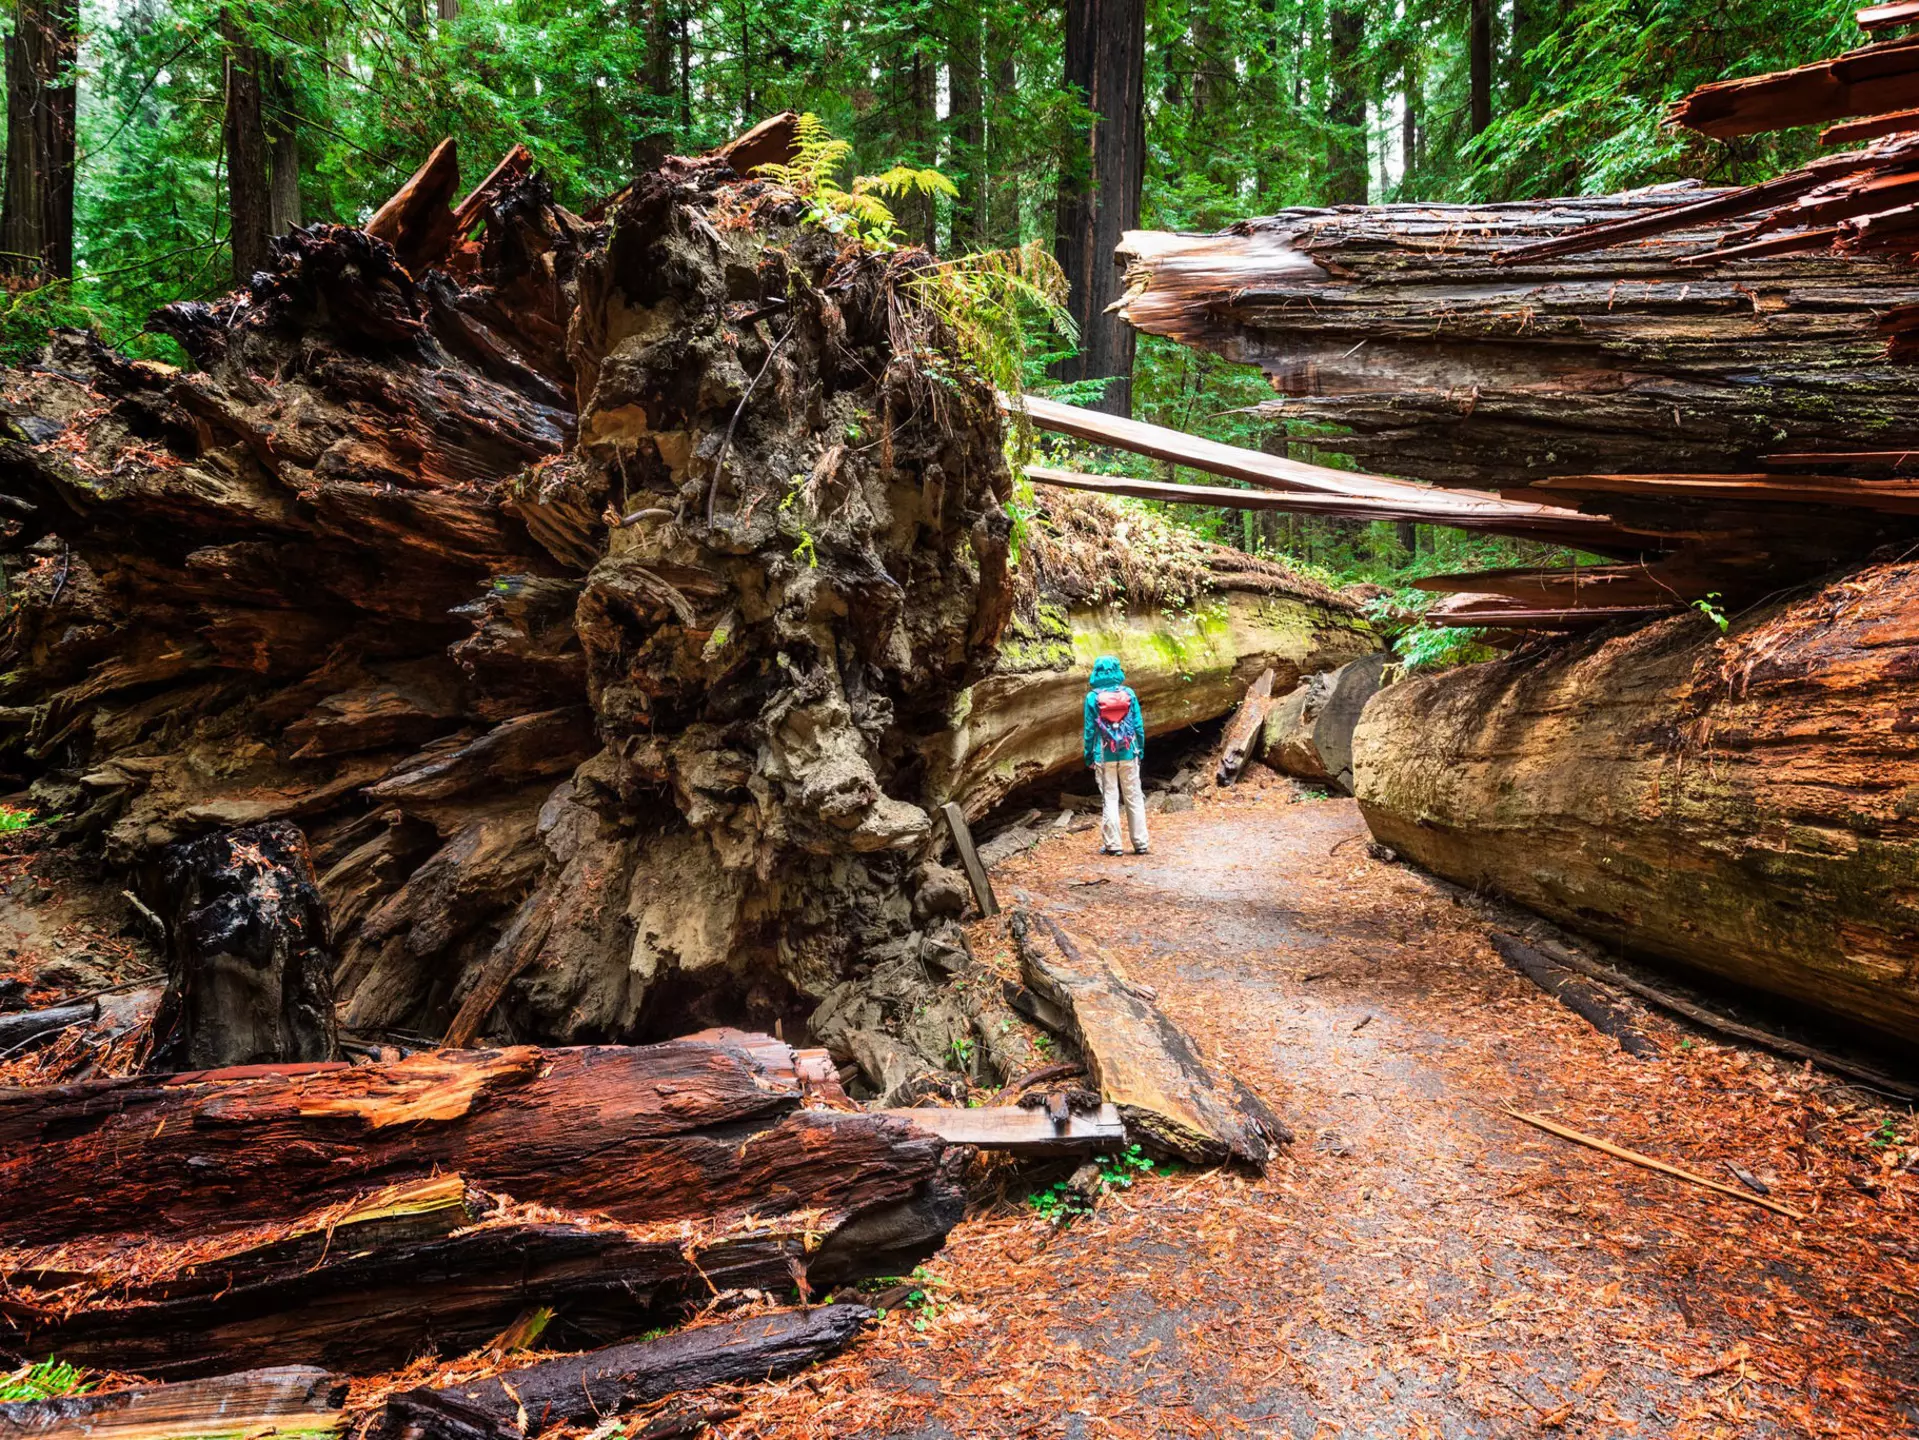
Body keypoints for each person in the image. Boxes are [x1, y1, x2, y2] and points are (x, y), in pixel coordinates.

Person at [1082, 655, 1149, 856]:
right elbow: (1138, 726)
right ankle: (1140, 842)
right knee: (1134, 797)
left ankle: (1114, 845)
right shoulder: (1129, 693)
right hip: (1130, 752)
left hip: (1104, 755)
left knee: (1110, 798)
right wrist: (1141, 748)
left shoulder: (1092, 698)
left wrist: (1088, 756)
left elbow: (1089, 731)